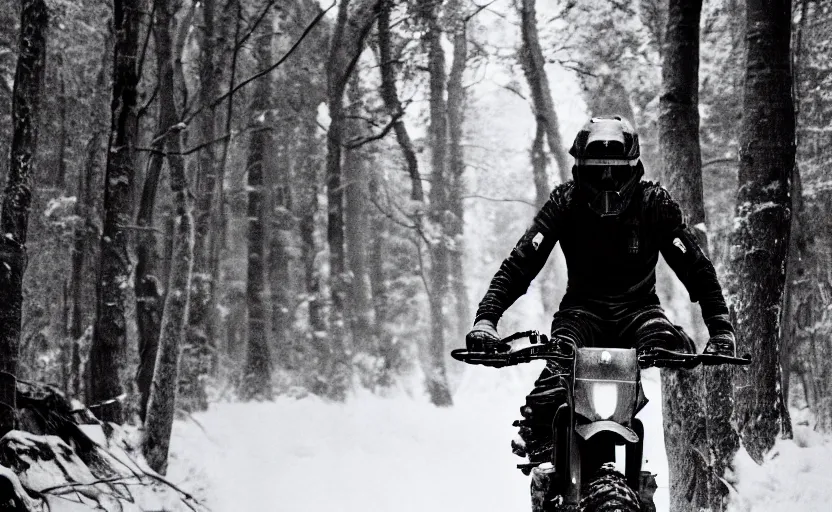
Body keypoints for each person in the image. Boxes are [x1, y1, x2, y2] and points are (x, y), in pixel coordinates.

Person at [465, 115, 736, 465]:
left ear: (632, 168)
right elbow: (522, 263)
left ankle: (699, 466)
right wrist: (486, 319)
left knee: (672, 346)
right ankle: (546, 464)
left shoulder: (654, 203)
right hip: (581, 315)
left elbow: (696, 267)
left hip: (640, 314)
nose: (607, 181)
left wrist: (720, 328)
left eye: (615, 171)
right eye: (598, 171)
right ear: (581, 169)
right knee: (551, 385)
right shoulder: (565, 202)